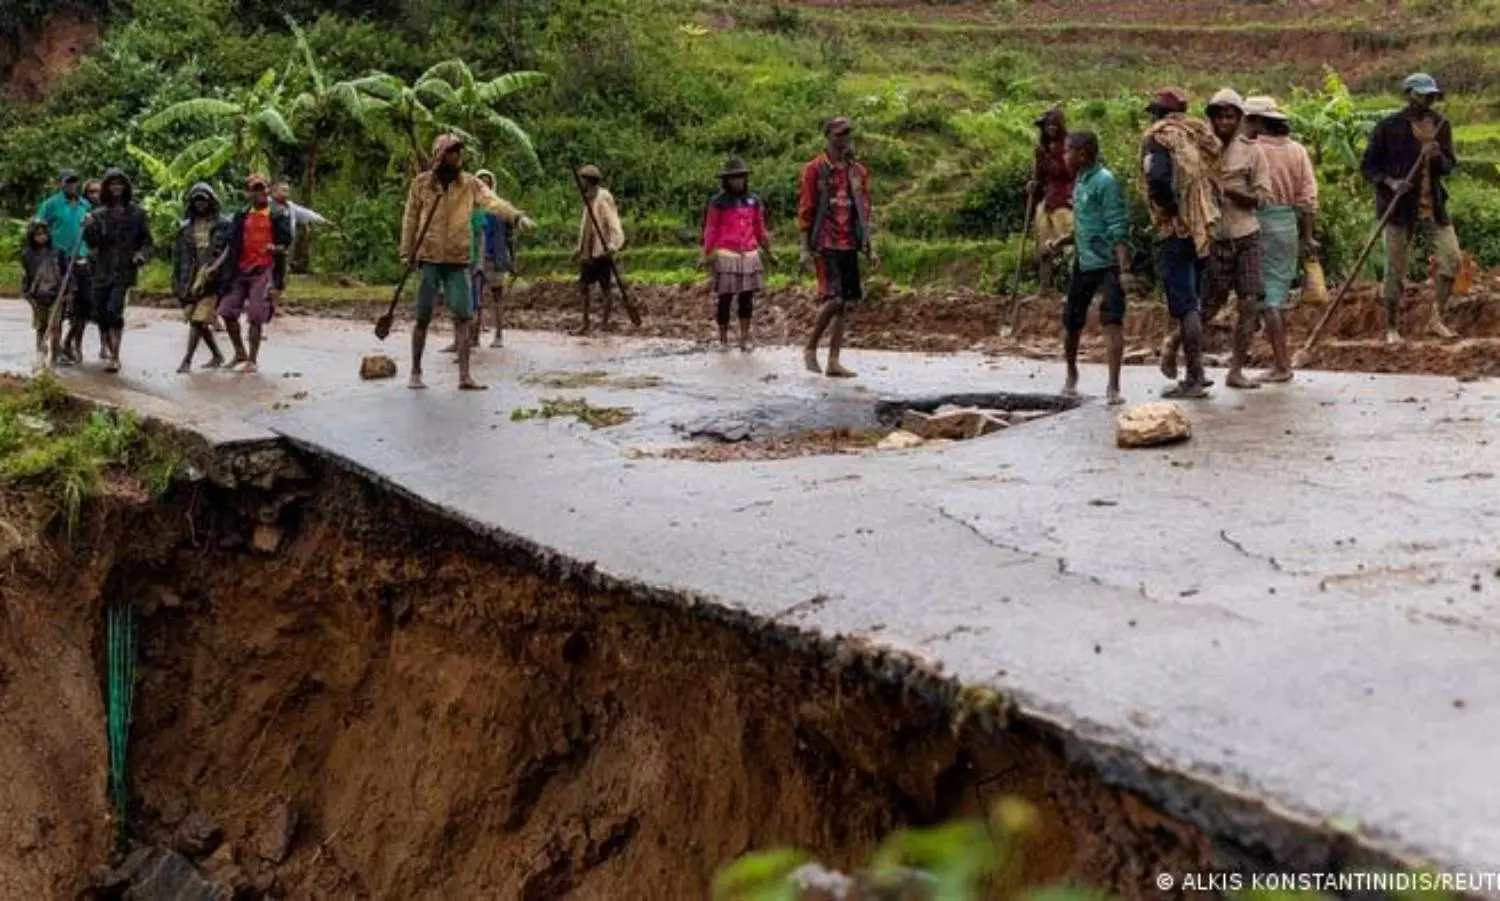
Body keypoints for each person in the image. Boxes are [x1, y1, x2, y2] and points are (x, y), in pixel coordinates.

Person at [400, 134, 534, 390]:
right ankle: (415, 371)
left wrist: (516, 217)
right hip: (428, 257)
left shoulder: (470, 185)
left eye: (458, 152)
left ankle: (465, 376)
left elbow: (493, 201)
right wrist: (406, 252)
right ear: (440, 156)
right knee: (423, 317)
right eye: (451, 152)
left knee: (464, 317)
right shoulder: (421, 185)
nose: (456, 157)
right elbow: (410, 219)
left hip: (458, 259)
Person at [1361, 72, 1462, 343]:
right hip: (1397, 209)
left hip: (1434, 206)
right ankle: (1391, 327)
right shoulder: (1388, 127)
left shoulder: (1442, 126)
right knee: (1394, 269)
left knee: (1452, 260)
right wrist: (1392, 182)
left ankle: (1436, 319)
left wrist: (1437, 155)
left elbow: (1450, 164)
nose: (1427, 100)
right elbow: (1369, 166)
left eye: (1430, 95)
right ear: (1409, 95)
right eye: (1421, 95)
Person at [1042, 132, 1134, 405]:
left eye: (1068, 151)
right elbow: (1086, 224)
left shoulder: (1105, 182)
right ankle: (1071, 374)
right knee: (1071, 319)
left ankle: (1113, 386)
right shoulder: (1081, 181)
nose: (1064, 156)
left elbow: (1118, 226)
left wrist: (1124, 269)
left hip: (1108, 264)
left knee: (1111, 320)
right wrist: (1062, 241)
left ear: (1083, 154)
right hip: (1084, 261)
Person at [1140, 88, 1220, 399]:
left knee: (1185, 304)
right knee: (1195, 299)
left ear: (1157, 114)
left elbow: (1158, 181)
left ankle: (1195, 376)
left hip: (1176, 231)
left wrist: (1171, 213)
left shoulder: (1159, 138)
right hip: (1202, 227)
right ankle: (1196, 372)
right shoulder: (1195, 134)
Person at [1196, 89, 1270, 391]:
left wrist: (1229, 191)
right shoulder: (1201, 151)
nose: (1224, 122)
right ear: (1210, 119)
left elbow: (1263, 198)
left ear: (1239, 119)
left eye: (1230, 116)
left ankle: (1236, 370)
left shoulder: (1252, 152)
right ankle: (1186, 357)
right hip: (1214, 239)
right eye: (1219, 116)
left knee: (1248, 304)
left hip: (1246, 235)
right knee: (1206, 307)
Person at [1244, 96, 1318, 382]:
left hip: (1257, 222)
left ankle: (1281, 364)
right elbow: (1309, 200)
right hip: (1287, 225)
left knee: (1267, 299)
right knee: (1275, 291)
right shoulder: (1296, 151)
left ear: (1257, 122)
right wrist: (1308, 237)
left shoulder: (1253, 151)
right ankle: (1278, 359)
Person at [798, 115, 875, 379]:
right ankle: (810, 348)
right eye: (839, 134)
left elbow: (864, 210)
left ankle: (833, 360)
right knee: (836, 298)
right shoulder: (815, 169)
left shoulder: (858, 172)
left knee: (845, 304)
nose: (844, 139)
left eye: (847, 134)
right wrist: (804, 249)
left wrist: (868, 244)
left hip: (849, 241)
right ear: (828, 136)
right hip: (825, 241)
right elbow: (806, 209)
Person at [216, 174, 292, 374]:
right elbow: (231, 243)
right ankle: (239, 352)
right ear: (249, 192)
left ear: (267, 190)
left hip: (263, 270)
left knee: (255, 315)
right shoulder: (241, 215)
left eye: (262, 188)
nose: (259, 193)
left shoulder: (276, 214)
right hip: (240, 270)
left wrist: (275, 249)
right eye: (254, 189)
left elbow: (286, 242)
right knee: (226, 311)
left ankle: (252, 359)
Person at [699, 156, 775, 352]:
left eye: (740, 177)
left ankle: (744, 338)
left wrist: (769, 252)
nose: (737, 181)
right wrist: (706, 252)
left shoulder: (753, 201)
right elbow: (711, 229)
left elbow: (759, 228)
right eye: (733, 178)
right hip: (727, 254)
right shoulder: (718, 202)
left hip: (749, 253)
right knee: (725, 298)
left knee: (746, 298)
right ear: (727, 180)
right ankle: (723, 340)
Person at [80, 167, 152, 374]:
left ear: (126, 187)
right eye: (112, 184)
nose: (116, 188)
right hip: (101, 269)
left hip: (124, 269)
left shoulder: (137, 213)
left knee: (114, 310)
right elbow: (93, 243)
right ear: (106, 188)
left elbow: (147, 242)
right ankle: (110, 351)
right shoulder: (98, 214)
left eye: (119, 184)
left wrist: (141, 256)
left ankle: (115, 356)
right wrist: (89, 227)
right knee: (101, 313)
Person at [170, 183, 230, 372]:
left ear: (211, 201)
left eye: (204, 199)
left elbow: (231, 251)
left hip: (213, 279)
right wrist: (176, 281)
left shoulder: (223, 225)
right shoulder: (185, 227)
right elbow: (178, 256)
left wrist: (220, 272)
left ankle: (186, 360)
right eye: (197, 200)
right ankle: (217, 355)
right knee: (198, 321)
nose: (200, 204)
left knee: (198, 320)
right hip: (189, 280)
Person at [36, 170, 91, 364]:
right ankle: (53, 350)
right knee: (56, 306)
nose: (72, 186)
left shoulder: (86, 205)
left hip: (81, 259)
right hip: (57, 261)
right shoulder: (50, 205)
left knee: (84, 307)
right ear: (60, 184)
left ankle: (71, 343)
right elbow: (38, 229)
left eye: (75, 182)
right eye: (68, 182)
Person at [571, 163, 625, 335]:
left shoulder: (603, 197)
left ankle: (604, 323)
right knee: (584, 287)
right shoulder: (587, 198)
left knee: (605, 287)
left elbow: (613, 223)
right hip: (588, 250)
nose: (582, 183)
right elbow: (585, 226)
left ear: (590, 181)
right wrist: (579, 248)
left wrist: (613, 245)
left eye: (584, 180)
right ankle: (585, 323)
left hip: (601, 251)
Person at [1028, 107, 1075, 299]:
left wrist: (1044, 159)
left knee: (1071, 245)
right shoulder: (1043, 148)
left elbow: (1064, 173)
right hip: (1047, 201)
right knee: (1043, 247)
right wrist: (1033, 185)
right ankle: (1045, 287)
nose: (1050, 129)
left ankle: (1077, 287)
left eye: (1053, 125)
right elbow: (1040, 176)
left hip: (1064, 200)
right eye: (1047, 126)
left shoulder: (1069, 146)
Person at [472, 169, 514, 349]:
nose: (484, 186)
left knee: (497, 298)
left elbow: (510, 236)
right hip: (475, 257)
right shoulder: (472, 206)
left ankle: (498, 335)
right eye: (481, 182)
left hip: (494, 257)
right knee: (475, 299)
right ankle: (473, 337)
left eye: (487, 182)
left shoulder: (500, 208)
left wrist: (512, 260)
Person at [20, 219, 67, 359]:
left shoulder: (58, 252)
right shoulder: (27, 255)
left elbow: (66, 274)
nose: (41, 237)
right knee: (41, 326)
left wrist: (68, 292)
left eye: (44, 234)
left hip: (56, 295)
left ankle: (55, 356)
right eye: (38, 234)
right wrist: (27, 294)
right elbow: (26, 276)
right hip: (38, 296)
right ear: (32, 236)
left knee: (55, 326)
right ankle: (40, 355)